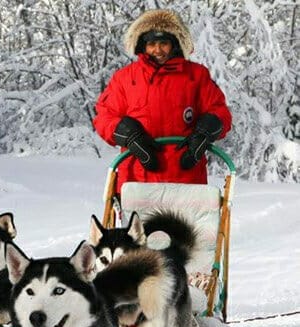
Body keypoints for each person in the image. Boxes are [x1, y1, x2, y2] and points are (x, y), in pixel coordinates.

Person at [93, 9, 232, 192]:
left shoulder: (196, 76)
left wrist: (206, 131)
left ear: (174, 44)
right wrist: (128, 134)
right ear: (142, 46)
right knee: (138, 222)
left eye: (163, 43)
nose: (157, 50)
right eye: (151, 44)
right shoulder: (125, 78)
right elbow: (105, 117)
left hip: (186, 176)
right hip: (137, 179)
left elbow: (220, 112)